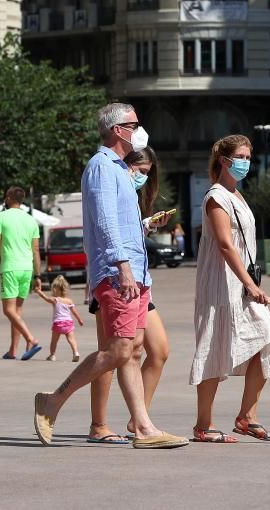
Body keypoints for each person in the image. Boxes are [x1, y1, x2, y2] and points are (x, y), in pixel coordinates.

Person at [33, 103, 187, 449]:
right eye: (134, 125)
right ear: (118, 130)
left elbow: (123, 223)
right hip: (118, 274)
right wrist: (123, 267)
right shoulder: (102, 167)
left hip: (134, 272)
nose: (139, 131)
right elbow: (104, 222)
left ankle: (144, 428)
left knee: (131, 351)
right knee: (118, 350)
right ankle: (53, 400)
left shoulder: (119, 170)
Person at [190, 135, 270, 443]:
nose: (246, 162)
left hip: (243, 286)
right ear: (224, 160)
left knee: (268, 341)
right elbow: (224, 244)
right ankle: (203, 425)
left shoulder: (237, 196)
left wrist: (249, 283)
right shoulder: (216, 197)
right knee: (212, 349)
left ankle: (247, 416)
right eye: (241, 156)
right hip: (221, 285)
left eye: (249, 156)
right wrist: (248, 282)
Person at [86, 146, 173, 445]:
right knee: (113, 352)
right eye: (140, 170)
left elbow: (127, 232)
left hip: (139, 279)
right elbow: (106, 229)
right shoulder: (108, 174)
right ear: (127, 166)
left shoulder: (132, 196)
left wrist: (147, 225)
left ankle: (139, 419)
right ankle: (98, 424)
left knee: (156, 350)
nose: (142, 177)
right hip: (116, 277)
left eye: (148, 174)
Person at [0, 187, 43, 361]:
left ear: (9, 197)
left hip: (10, 268)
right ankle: (13, 351)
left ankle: (31, 340)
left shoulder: (1, 217)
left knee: (8, 310)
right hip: (27, 269)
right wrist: (37, 275)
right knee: (17, 311)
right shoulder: (31, 220)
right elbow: (35, 250)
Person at [36, 275, 84, 362]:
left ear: (55, 289)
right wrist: (79, 320)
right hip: (68, 323)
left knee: (54, 341)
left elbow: (45, 298)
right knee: (71, 339)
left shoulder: (55, 300)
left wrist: (39, 292)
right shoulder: (69, 301)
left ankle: (52, 355)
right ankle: (76, 352)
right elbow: (74, 312)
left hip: (58, 323)